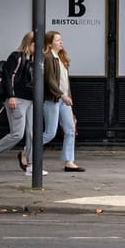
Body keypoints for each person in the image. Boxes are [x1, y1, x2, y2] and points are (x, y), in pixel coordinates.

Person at [0, 32, 39, 176]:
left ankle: (31, 165)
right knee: (17, 134)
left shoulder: (35, 59)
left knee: (33, 133)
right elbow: (8, 76)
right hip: (17, 99)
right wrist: (11, 95)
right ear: (30, 43)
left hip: (31, 100)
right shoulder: (16, 56)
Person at [37, 30, 83, 171]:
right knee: (50, 133)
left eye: (61, 39)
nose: (61, 42)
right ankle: (28, 151)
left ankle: (69, 161)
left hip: (64, 100)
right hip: (54, 99)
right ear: (50, 44)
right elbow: (50, 81)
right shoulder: (49, 58)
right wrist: (63, 95)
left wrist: (67, 96)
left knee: (70, 129)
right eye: (57, 40)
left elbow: (64, 82)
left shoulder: (61, 58)